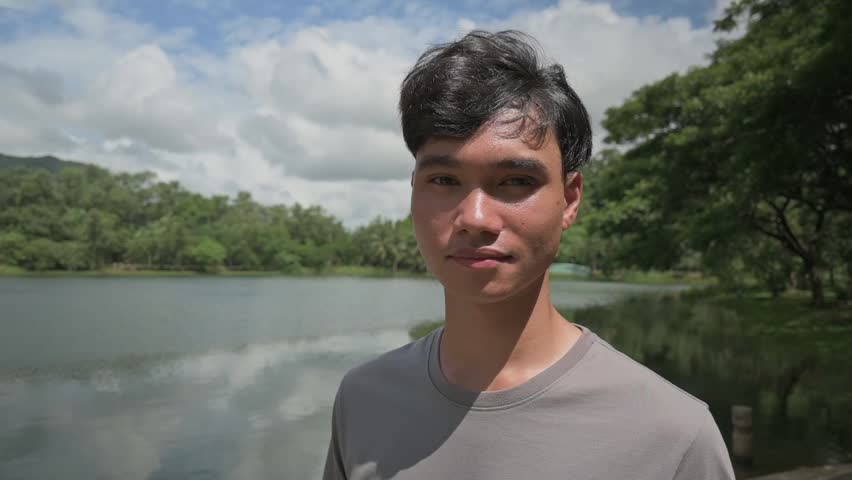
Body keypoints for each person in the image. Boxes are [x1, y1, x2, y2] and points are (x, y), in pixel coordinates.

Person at [322, 30, 735, 480]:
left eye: (516, 181)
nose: (475, 217)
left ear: (570, 199)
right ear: (414, 191)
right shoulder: (363, 400)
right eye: (443, 180)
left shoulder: (672, 436)